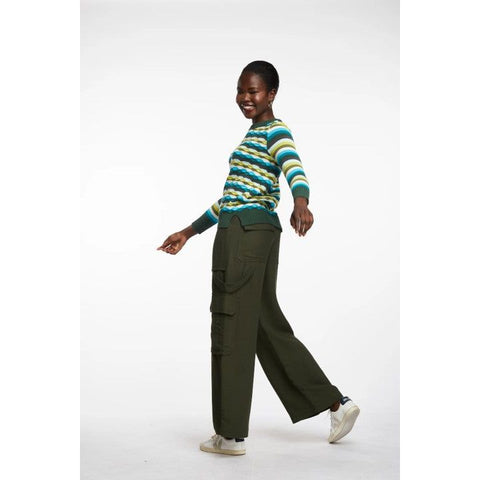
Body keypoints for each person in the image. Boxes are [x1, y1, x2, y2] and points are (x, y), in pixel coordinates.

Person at [157, 60, 360, 456]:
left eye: (253, 91)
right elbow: (229, 198)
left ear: (271, 94)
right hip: (254, 231)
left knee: (231, 324)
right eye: (240, 90)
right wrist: (188, 232)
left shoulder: (274, 130)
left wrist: (302, 202)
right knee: (265, 326)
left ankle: (230, 435)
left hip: (243, 235)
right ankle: (336, 403)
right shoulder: (252, 137)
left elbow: (294, 167)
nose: (244, 98)